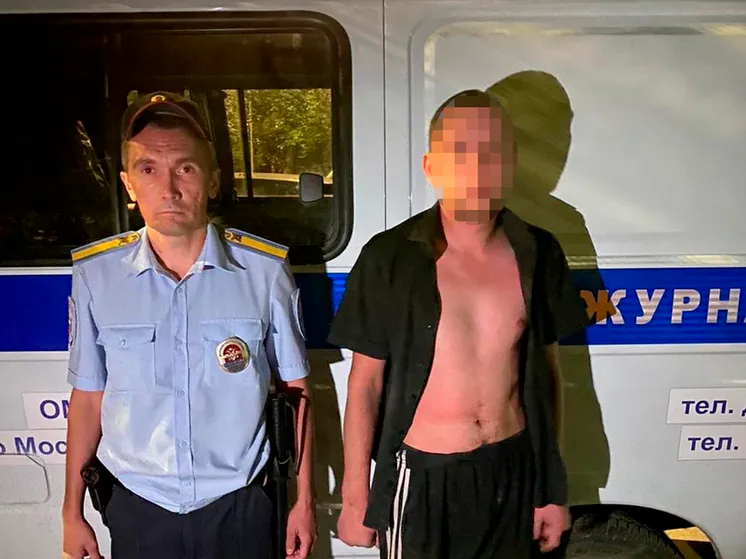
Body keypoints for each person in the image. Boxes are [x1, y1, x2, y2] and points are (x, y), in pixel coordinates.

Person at [329, 89, 591, 558]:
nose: (478, 167)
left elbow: (548, 375)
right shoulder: (388, 257)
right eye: (461, 152)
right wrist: (355, 498)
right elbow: (365, 383)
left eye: (492, 151)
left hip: (512, 470)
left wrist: (551, 489)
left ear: (510, 163)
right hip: (422, 479)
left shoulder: (540, 252)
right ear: (432, 167)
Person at [61, 91, 316, 559]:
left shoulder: (264, 271)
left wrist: (304, 502)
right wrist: (71, 513)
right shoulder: (96, 276)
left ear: (213, 180)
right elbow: (88, 398)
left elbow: (295, 392)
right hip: (140, 505)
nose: (169, 188)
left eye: (186, 168)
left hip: (240, 503)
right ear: (128, 185)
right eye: (148, 169)